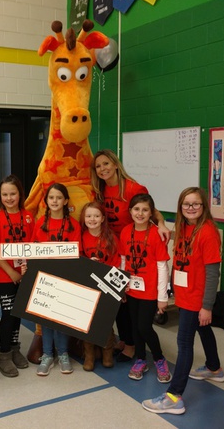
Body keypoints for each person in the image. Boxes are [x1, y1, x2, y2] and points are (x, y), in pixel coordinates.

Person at [142, 187, 223, 415]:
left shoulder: (207, 233)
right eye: (186, 204)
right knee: (203, 330)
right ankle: (214, 368)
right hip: (184, 293)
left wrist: (206, 306)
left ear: (204, 206)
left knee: (184, 343)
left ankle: (174, 396)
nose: (191, 208)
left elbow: (212, 273)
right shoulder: (185, 228)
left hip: (196, 298)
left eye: (196, 204)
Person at [91, 149, 170, 363]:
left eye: (106, 164)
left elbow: (151, 210)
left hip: (132, 248)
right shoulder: (100, 189)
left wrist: (161, 224)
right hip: (111, 249)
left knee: (126, 301)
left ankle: (132, 345)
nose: (102, 169)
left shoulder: (134, 188)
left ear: (116, 164)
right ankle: (126, 340)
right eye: (98, 166)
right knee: (117, 297)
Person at [118, 194, 171, 383]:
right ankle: (140, 359)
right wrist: (121, 286)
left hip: (150, 291)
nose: (140, 213)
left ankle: (159, 358)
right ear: (130, 211)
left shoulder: (157, 233)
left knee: (144, 326)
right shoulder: (125, 231)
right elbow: (123, 260)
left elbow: (162, 266)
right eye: (136, 209)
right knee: (135, 326)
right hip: (131, 288)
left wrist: (162, 296)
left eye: (145, 210)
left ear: (151, 213)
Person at [0, 174, 34, 378]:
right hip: (5, 275)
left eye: (13, 193)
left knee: (18, 314)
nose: (9, 198)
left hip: (24, 274)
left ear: (20, 194)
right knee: (8, 314)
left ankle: (15, 349)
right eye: (5, 194)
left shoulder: (29, 216)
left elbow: (33, 246)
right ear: (0, 196)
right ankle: (3, 355)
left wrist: (25, 271)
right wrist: (12, 272)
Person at [31, 183, 81, 376]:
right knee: (46, 319)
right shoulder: (40, 224)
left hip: (66, 278)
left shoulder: (73, 226)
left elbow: (77, 253)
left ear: (66, 201)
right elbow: (34, 250)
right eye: (51, 198)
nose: (55, 201)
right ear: (46, 201)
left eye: (59, 198)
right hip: (45, 279)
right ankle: (47, 355)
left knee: (62, 319)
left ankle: (63, 354)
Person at [79, 201, 120, 371]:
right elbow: (78, 258)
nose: (92, 219)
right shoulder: (81, 237)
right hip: (88, 285)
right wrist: (88, 263)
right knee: (88, 320)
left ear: (103, 218)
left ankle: (107, 352)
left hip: (107, 286)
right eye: (88, 216)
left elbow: (118, 262)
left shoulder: (111, 237)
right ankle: (89, 353)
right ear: (84, 218)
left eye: (96, 216)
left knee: (105, 321)